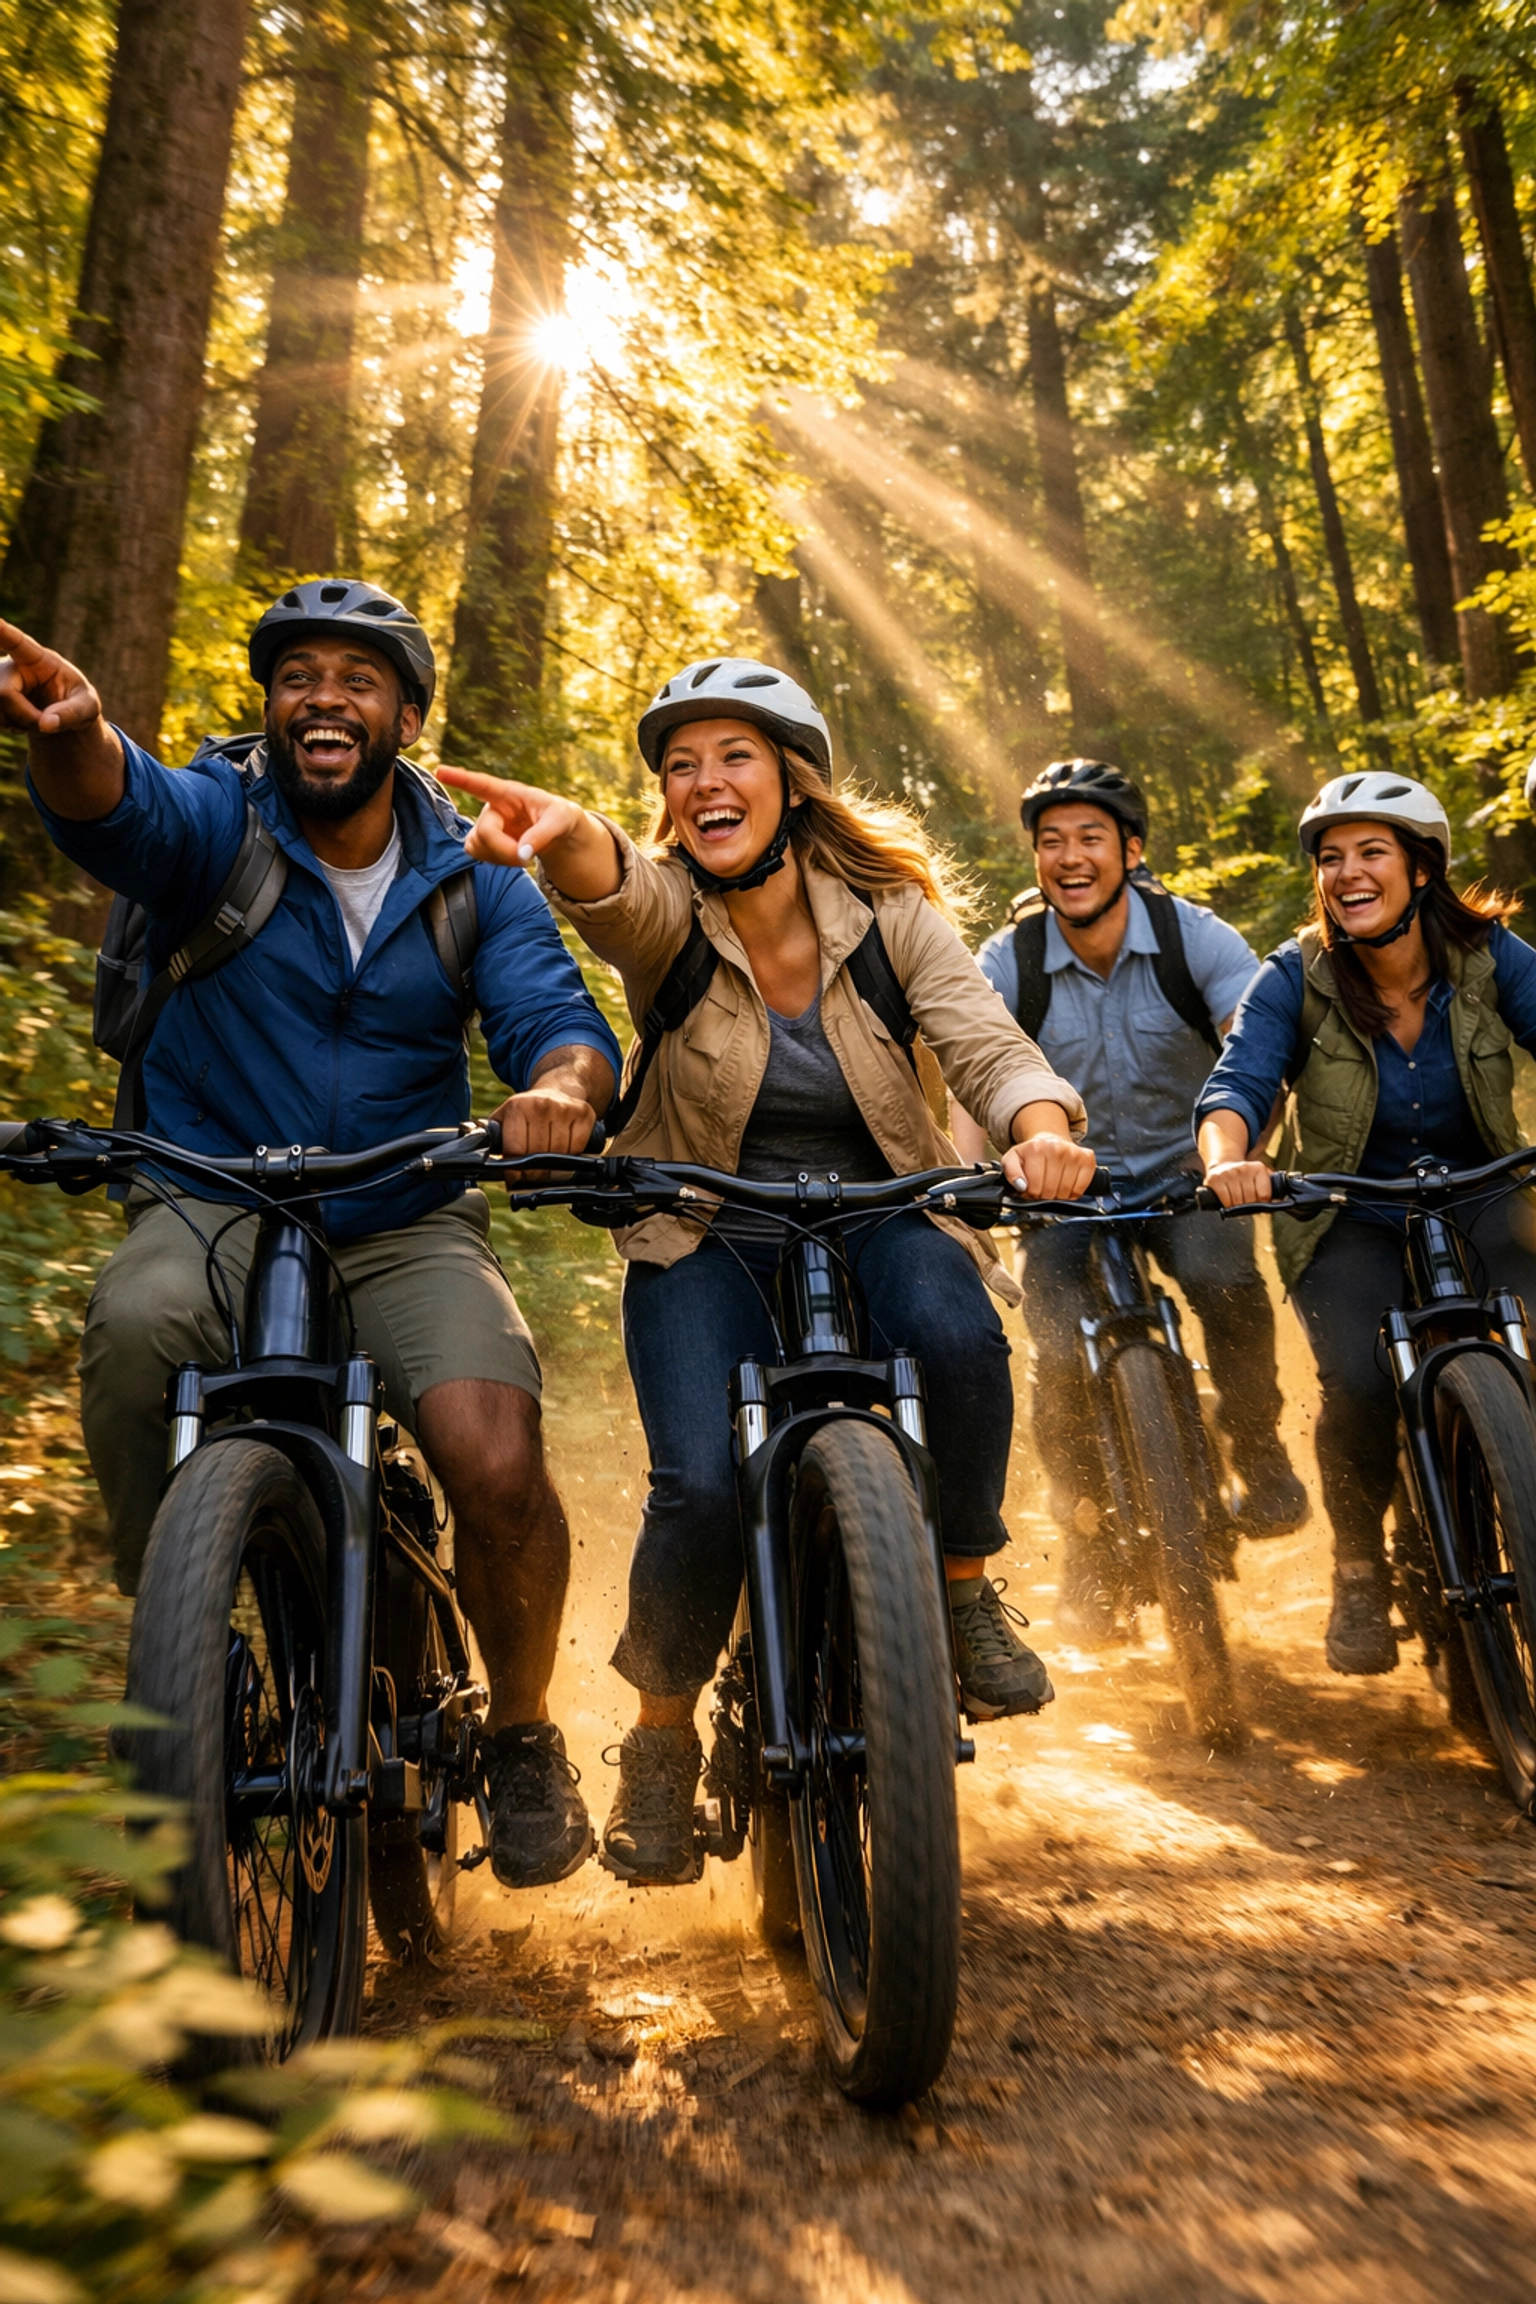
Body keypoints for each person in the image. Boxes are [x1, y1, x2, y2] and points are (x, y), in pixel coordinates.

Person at [0, 583, 623, 1888]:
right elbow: (116, 804)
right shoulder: (218, 821)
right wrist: (72, 732)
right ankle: (176, 1635)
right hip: (215, 1193)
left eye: (357, 678)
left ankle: (521, 1736)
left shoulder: (473, 874)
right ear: (273, 705)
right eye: (298, 676)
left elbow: (558, 1023)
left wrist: (561, 1093)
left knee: (495, 1456)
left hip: (404, 1210)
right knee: (136, 1326)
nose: (323, 699)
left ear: (406, 716)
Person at [438, 657, 1097, 1885]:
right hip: (704, 1225)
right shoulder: (673, 915)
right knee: (697, 1487)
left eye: (732, 757)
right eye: (680, 767)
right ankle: (659, 1739)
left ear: (792, 780)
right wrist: (563, 831)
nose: (703, 784)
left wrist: (1041, 1128)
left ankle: (961, 1592)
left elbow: (987, 1042)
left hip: (880, 1207)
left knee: (960, 1337)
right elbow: (610, 888)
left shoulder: (892, 916)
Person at [950, 757, 1306, 1642]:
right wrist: (962, 1185)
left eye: (1091, 838)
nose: (1070, 857)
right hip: (1059, 1196)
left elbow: (1259, 1052)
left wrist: (1241, 1158)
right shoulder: (1009, 961)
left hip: (1188, 1178)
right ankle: (1087, 1544)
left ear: (1132, 851)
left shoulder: (1195, 939)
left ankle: (1257, 1445)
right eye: (1051, 841)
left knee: (1228, 1286)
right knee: (1059, 1367)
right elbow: (967, 1077)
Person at [1197, 770, 1536, 1674]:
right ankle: (1358, 1568)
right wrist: (1228, 1160)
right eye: (1331, 857)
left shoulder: (1490, 958)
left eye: (1371, 852)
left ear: (1421, 869)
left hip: (1482, 1193)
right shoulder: (1295, 974)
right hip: (1348, 1212)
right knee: (1358, 1380)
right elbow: (1238, 1084)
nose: (1347, 872)